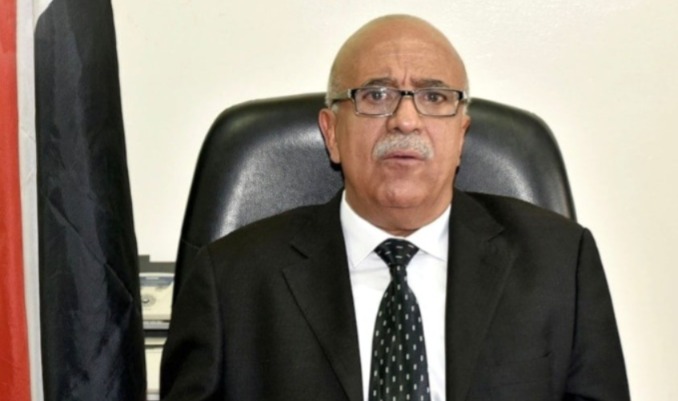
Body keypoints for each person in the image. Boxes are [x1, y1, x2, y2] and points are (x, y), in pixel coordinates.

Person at [160, 14, 630, 401]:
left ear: (461, 134)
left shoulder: (559, 262)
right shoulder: (231, 280)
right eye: (376, 95)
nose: (405, 120)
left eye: (434, 97)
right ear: (331, 132)